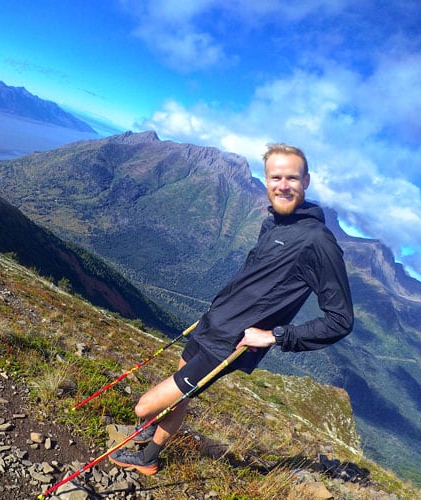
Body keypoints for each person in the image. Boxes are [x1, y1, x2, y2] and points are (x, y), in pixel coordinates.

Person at [110, 143, 354, 475]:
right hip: (210, 325)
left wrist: (274, 336)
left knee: (145, 406)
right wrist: (216, 310)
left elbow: (340, 320)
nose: (283, 185)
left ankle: (148, 447)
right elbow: (253, 282)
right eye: (275, 177)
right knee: (177, 396)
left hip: (229, 344)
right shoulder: (273, 224)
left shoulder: (318, 242)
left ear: (306, 181)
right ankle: (150, 452)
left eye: (292, 178)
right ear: (266, 181)